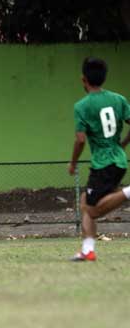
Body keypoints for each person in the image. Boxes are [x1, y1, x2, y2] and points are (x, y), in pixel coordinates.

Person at [68, 57, 130, 261]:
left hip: (104, 163)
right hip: (119, 160)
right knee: (85, 201)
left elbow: (80, 140)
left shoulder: (82, 106)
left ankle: (128, 192)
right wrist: (122, 144)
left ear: (83, 79)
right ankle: (88, 250)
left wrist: (73, 162)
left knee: (92, 210)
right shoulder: (118, 99)